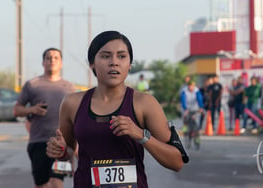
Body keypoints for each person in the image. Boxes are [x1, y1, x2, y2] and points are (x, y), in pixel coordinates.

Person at [46, 30, 184, 188]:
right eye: (105, 56)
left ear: (130, 64)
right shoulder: (72, 103)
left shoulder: (144, 103)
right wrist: (60, 151)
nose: (114, 62)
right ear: (92, 63)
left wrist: (141, 135)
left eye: (122, 56)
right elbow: (68, 152)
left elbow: (177, 162)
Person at [13, 48, 76, 188]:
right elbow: (16, 110)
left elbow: (75, 116)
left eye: (55, 58)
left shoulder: (69, 87)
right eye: (48, 58)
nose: (52, 60)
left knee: (57, 182)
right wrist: (33, 109)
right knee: (42, 185)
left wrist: (75, 143)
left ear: (61, 63)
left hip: (61, 143)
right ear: (43, 62)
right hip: (39, 142)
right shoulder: (33, 85)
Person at [180, 80, 204, 149]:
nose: (191, 88)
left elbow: (199, 99)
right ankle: (185, 133)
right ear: (188, 86)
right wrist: (185, 109)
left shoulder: (197, 91)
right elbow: (183, 100)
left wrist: (201, 107)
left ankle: (197, 140)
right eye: (190, 86)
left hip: (195, 109)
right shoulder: (184, 91)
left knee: (196, 126)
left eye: (192, 86)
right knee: (186, 121)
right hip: (186, 109)